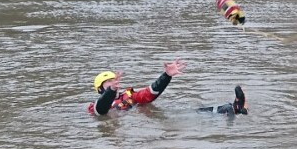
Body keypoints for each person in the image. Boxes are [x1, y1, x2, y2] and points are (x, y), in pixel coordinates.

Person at [88, 60, 247, 117]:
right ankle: (229, 112)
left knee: (188, 111)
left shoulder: (128, 96)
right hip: (137, 124)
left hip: (151, 116)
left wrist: (166, 76)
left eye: (114, 81)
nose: (114, 83)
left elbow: (149, 94)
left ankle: (232, 108)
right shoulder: (93, 107)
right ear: (100, 90)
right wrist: (110, 93)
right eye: (108, 83)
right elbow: (101, 111)